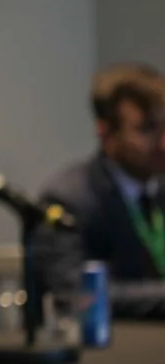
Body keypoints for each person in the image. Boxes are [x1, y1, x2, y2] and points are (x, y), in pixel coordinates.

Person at [33, 63, 165, 318]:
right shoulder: (68, 200)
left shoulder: (159, 188)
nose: (163, 143)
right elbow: (76, 295)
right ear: (105, 133)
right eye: (147, 129)